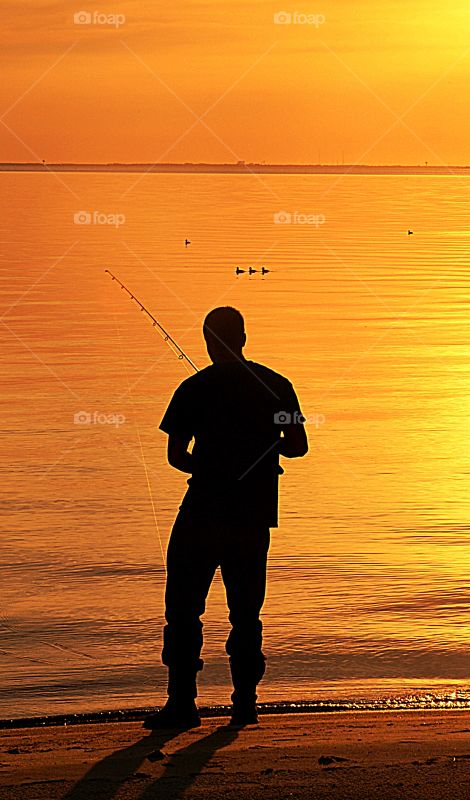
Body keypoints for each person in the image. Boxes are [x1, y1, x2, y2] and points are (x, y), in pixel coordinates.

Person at [143, 306, 308, 731]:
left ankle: (182, 705)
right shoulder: (277, 386)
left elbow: (176, 456)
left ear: (208, 341)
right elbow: (298, 446)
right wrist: (264, 450)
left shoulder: (193, 388)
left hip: (202, 510)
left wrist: (211, 466)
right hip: (253, 516)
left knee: (182, 610)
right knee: (246, 613)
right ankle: (245, 705)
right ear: (244, 337)